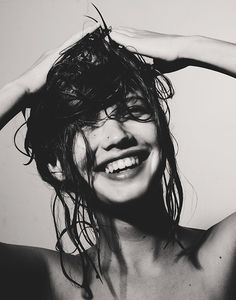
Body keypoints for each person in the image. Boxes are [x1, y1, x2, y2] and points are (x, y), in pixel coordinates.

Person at [0, 18, 236, 300]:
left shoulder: (222, 256)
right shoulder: (51, 282)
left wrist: (188, 46)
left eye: (132, 110)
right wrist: (21, 87)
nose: (116, 135)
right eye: (85, 122)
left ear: (161, 130)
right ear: (56, 164)